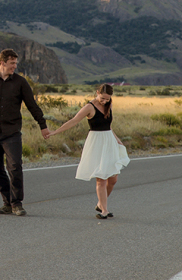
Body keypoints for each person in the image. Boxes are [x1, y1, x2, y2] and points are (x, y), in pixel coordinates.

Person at [0, 48, 51, 216]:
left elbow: (32, 105)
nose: (14, 66)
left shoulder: (20, 82)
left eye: (15, 63)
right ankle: (7, 203)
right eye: (12, 63)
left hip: (11, 133)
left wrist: (43, 125)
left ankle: (17, 203)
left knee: (15, 167)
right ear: (2, 62)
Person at [48, 83, 130, 219]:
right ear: (97, 92)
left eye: (107, 99)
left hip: (109, 141)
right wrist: (55, 132)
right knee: (101, 178)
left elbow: (108, 126)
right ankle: (104, 210)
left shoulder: (109, 105)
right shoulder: (89, 107)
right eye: (102, 98)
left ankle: (100, 204)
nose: (104, 101)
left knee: (113, 179)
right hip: (96, 143)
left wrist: (117, 140)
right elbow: (74, 121)